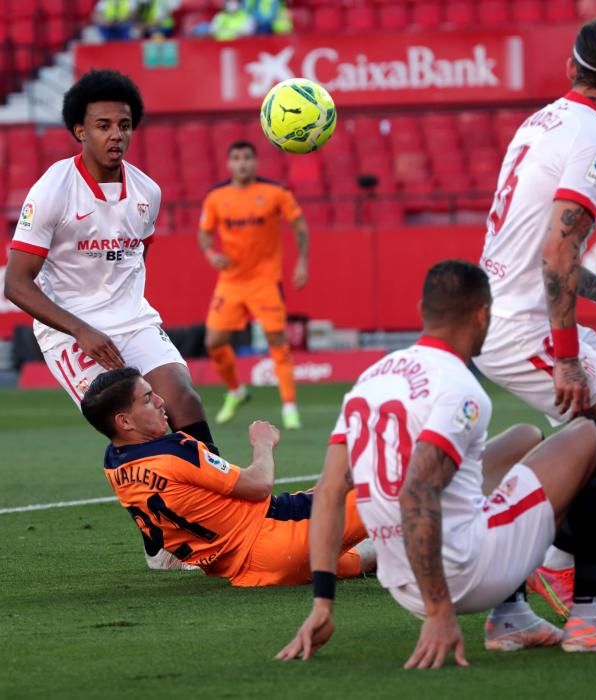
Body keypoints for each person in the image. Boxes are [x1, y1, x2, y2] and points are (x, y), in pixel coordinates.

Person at [277, 260, 596, 667]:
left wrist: (322, 604)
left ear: (422, 311)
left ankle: (512, 618)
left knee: (523, 436)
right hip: (463, 577)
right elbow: (418, 490)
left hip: (400, 580)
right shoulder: (459, 388)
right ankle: (591, 615)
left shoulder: (370, 379)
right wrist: (439, 613)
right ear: (483, 314)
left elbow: (328, 490)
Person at [473, 16, 596, 617]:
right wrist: (565, 357)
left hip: (512, 305)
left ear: (570, 71)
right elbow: (557, 249)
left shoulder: (543, 120)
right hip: (518, 324)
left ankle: (575, 560)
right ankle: (557, 564)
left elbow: (544, 243)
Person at [4, 69, 218, 571]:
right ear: (80, 131)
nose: (115, 134)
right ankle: (159, 535)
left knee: (182, 399)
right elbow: (16, 284)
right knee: (136, 424)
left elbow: (135, 258)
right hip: (68, 332)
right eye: (102, 125)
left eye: (123, 125)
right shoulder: (53, 190)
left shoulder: (148, 193)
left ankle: (219, 512)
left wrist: (123, 318)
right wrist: (80, 328)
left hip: (131, 318)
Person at [81, 367, 373, 586]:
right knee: (386, 484)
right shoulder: (174, 450)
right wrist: (263, 443)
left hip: (245, 571)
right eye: (147, 399)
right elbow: (258, 486)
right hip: (278, 532)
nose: (160, 400)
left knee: (372, 549)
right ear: (125, 421)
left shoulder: (113, 464)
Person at [198, 140, 309, 429]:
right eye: (236, 158)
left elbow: (300, 226)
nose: (242, 163)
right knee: (214, 342)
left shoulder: (275, 192)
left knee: (277, 342)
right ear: (228, 164)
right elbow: (205, 234)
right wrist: (211, 254)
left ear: (255, 162)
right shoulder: (216, 197)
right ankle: (236, 391)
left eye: (247, 157)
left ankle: (290, 407)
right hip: (231, 282)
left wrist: (302, 262)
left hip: (265, 281)